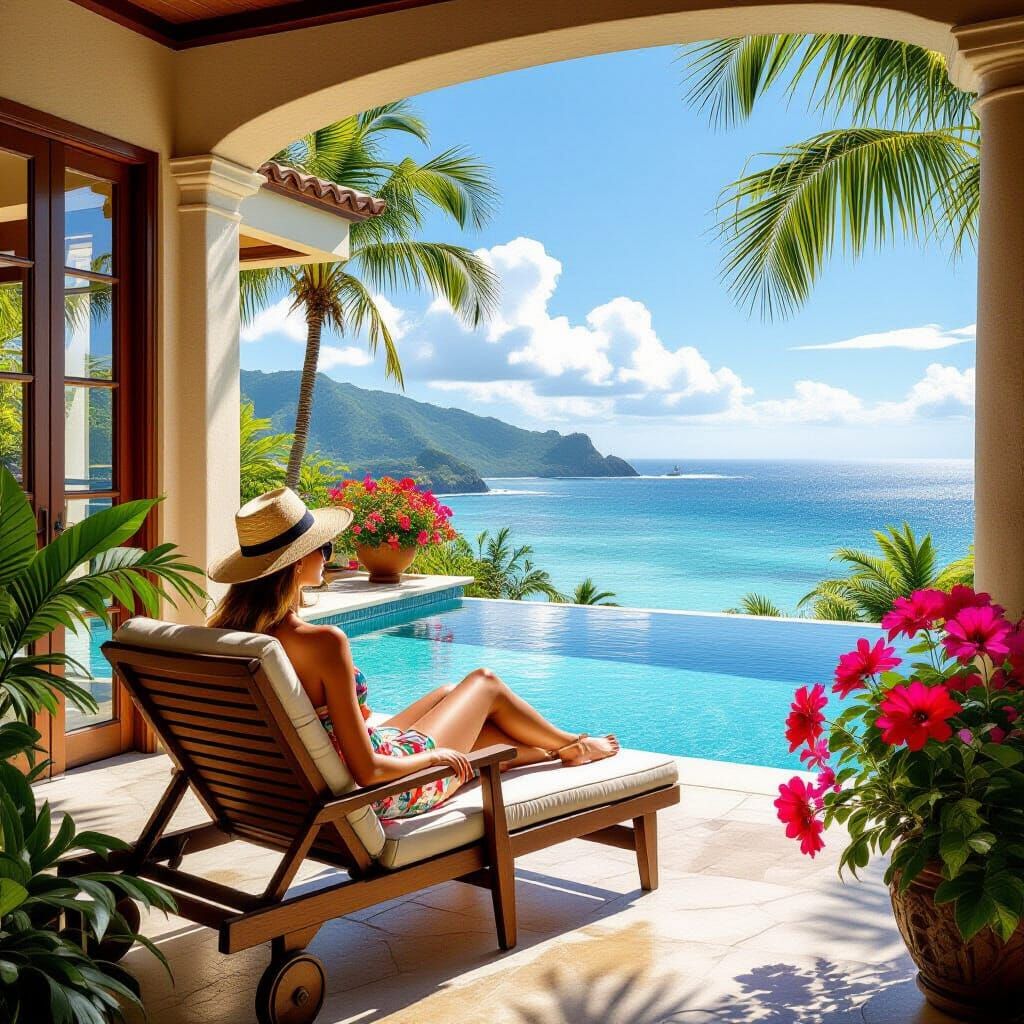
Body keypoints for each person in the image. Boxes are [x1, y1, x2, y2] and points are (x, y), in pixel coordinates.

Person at [208, 488, 619, 820]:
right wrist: (433, 756)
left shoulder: (227, 637)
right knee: (484, 683)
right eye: (324, 549)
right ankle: (573, 744)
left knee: (447, 693)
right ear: (297, 563)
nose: (328, 556)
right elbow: (369, 771)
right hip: (377, 793)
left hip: (303, 781)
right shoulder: (321, 643)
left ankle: (547, 752)